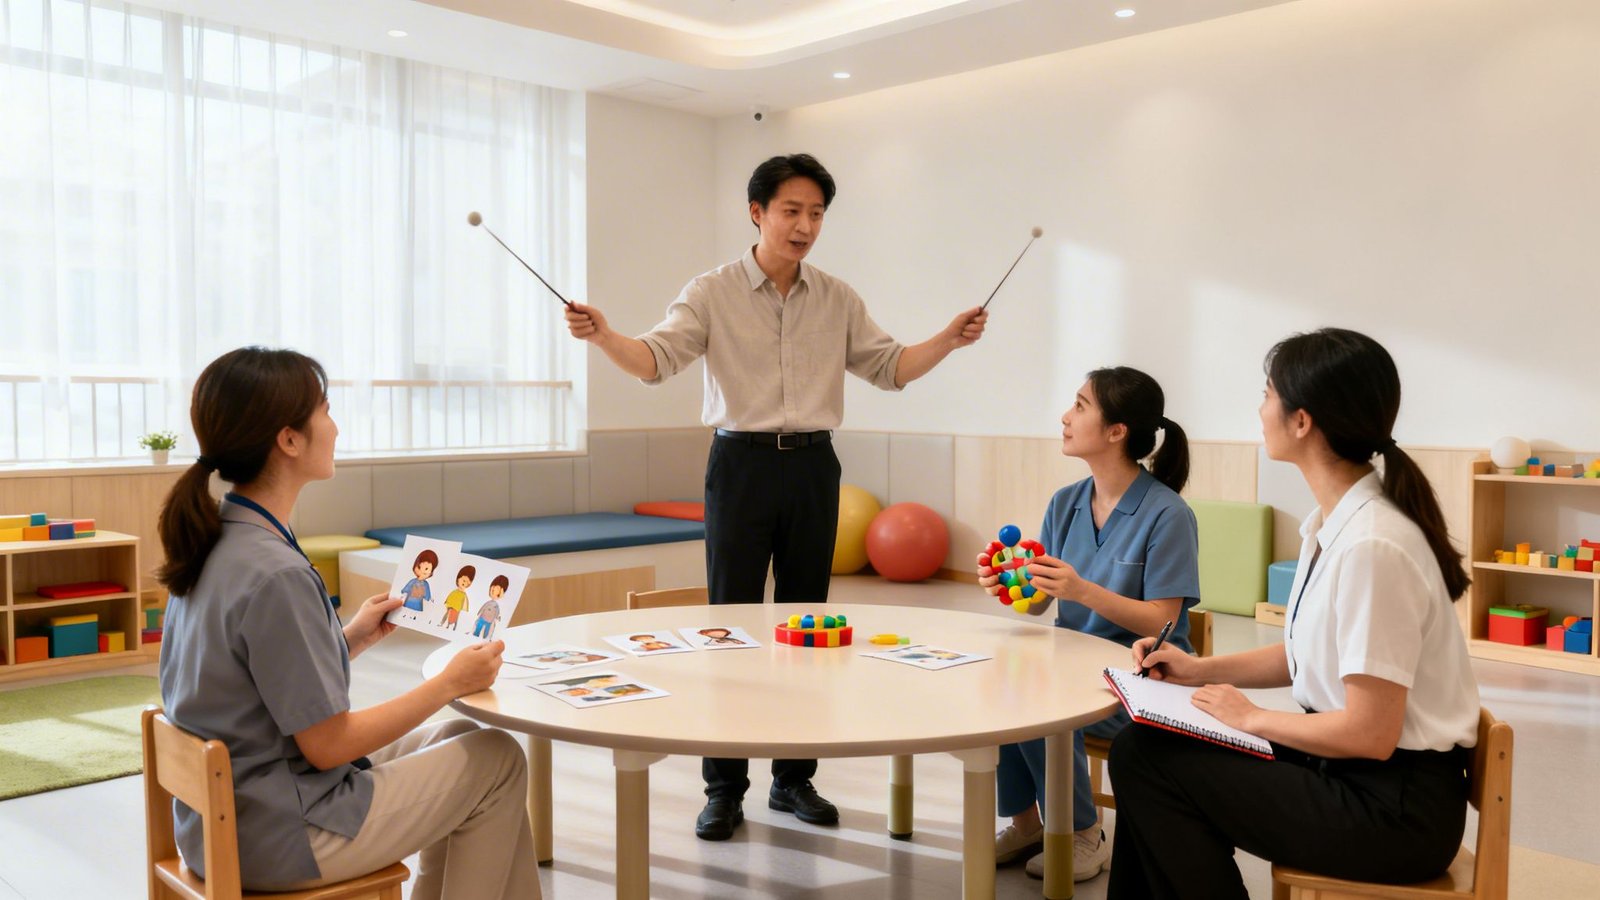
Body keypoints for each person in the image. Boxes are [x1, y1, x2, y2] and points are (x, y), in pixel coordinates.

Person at [565, 153, 988, 841]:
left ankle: (794, 779)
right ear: (757, 212)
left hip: (815, 468)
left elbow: (890, 367)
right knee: (729, 629)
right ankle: (723, 789)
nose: (805, 225)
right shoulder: (710, 292)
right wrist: (605, 335)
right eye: (791, 210)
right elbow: (654, 361)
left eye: (816, 213)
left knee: (808, 630)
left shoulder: (838, 296)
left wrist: (948, 338)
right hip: (740, 464)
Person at [1108, 328, 1480, 899]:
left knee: (1152, 767)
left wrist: (1251, 717)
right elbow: (1306, 655)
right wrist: (1195, 669)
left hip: (1393, 812)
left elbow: (1372, 732)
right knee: (1143, 748)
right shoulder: (1334, 524)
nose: (1259, 410)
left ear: (1301, 421)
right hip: (1348, 771)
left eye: (1266, 395)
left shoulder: (1372, 545)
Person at [155, 347, 539, 899]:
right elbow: (329, 746)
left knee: (464, 735)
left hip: (224, 813)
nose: (335, 427)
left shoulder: (220, 538)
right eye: (326, 411)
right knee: (498, 759)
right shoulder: (276, 574)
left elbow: (249, 678)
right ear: (289, 440)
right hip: (278, 831)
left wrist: (349, 638)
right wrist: (448, 683)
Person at [977, 367, 1201, 883]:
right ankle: (1028, 824)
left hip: (1147, 679)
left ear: (1117, 431)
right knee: (1003, 687)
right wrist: (1009, 585)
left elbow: (1165, 621)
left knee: (1039, 705)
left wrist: (1082, 590)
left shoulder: (1168, 514)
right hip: (1073, 666)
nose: (1065, 416)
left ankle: (1083, 834)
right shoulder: (1066, 503)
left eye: (1080, 406)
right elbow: (1038, 604)